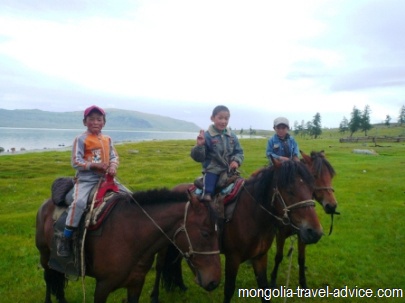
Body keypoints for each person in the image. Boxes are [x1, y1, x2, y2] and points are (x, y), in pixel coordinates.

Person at [57, 105, 119, 257]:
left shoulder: (107, 139)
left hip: (106, 179)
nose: (95, 122)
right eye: (91, 119)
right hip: (86, 180)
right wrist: (93, 165)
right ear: (85, 122)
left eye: (99, 119)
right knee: (78, 203)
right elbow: (75, 161)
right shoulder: (81, 139)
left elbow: (114, 156)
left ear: (104, 122)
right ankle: (66, 237)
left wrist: (112, 166)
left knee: (128, 197)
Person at [190, 105, 244, 202]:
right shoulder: (207, 136)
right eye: (220, 118)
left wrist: (236, 161)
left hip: (229, 170)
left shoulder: (232, 136)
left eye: (226, 118)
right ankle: (205, 211)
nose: (223, 121)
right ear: (212, 118)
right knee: (208, 194)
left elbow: (239, 151)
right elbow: (199, 158)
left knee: (241, 188)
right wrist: (200, 146)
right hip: (212, 170)